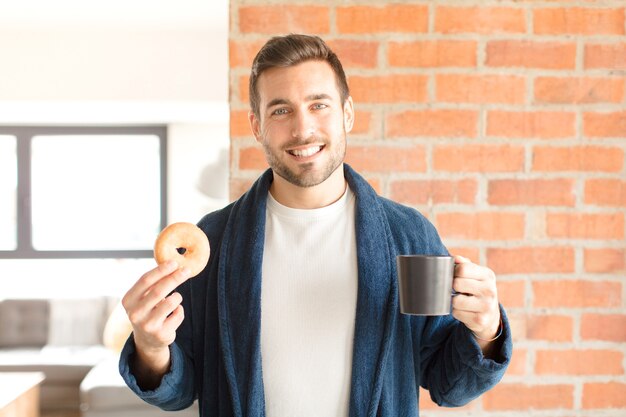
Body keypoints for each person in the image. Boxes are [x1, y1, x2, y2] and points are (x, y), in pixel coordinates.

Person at [119, 34, 512, 417]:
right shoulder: (216, 241)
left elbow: (447, 383)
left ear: (347, 113)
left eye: (318, 104)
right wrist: (151, 347)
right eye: (281, 110)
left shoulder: (407, 235)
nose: (302, 129)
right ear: (257, 126)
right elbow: (180, 392)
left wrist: (485, 330)